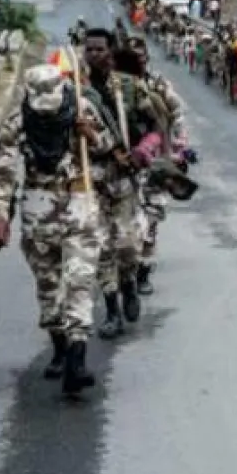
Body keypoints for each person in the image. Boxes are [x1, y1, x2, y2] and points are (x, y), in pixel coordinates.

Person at [0, 64, 107, 397]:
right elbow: (4, 173)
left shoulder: (82, 108)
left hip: (78, 201)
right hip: (38, 210)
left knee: (80, 280)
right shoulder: (17, 123)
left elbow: (108, 149)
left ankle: (78, 358)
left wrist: (92, 135)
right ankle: (60, 345)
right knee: (50, 286)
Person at [82, 29, 157, 340]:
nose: (93, 54)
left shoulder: (129, 86)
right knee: (101, 247)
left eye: (99, 49)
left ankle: (128, 286)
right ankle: (111, 309)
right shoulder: (77, 91)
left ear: (110, 52)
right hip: (89, 181)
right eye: (88, 50)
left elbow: (155, 126)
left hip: (123, 176)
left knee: (126, 244)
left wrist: (144, 150)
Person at [128, 36, 187, 296]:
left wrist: (179, 147)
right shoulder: (114, 86)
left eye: (141, 58)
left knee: (151, 218)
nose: (136, 62)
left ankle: (143, 272)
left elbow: (177, 114)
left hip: (156, 161)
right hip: (125, 162)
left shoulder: (158, 85)